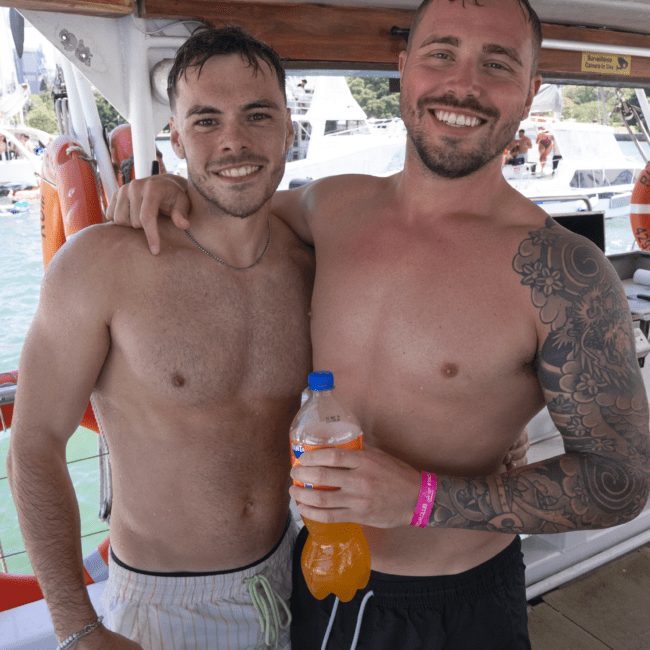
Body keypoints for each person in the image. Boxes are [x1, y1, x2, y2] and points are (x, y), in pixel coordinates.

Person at [107, 0, 650, 648]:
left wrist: (423, 499)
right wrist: (165, 191)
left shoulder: (564, 273)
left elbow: (621, 483)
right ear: (404, 71)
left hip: (455, 603)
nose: (463, 84)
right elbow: (231, 199)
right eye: (440, 54)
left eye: (497, 63)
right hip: (316, 577)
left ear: (532, 90)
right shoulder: (332, 205)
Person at [7, 27, 315, 650]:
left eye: (258, 115)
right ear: (174, 137)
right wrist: (76, 627)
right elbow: (35, 441)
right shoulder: (102, 264)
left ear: (288, 127)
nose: (233, 139)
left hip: (298, 572)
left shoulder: (312, 260)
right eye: (205, 120)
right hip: (162, 607)